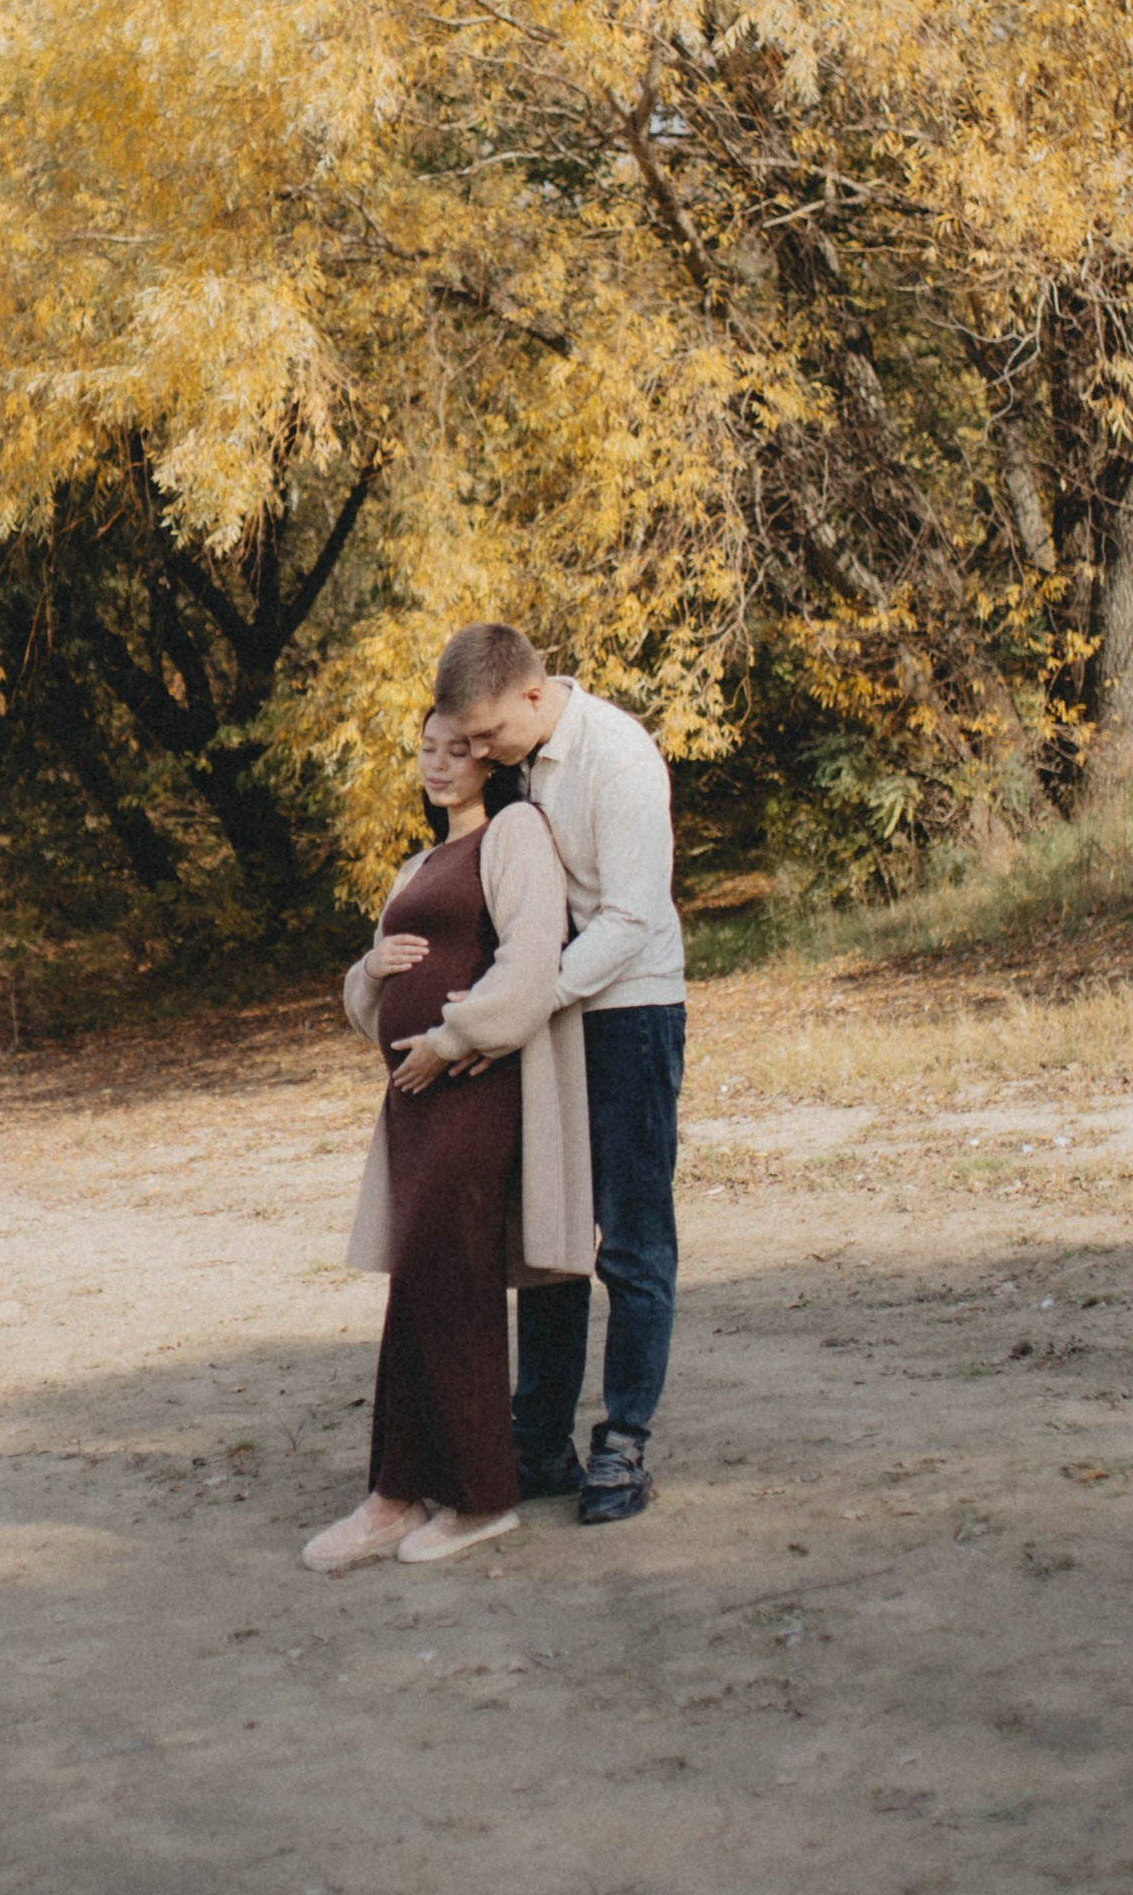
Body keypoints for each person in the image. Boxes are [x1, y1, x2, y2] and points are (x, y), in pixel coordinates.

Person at [300, 715, 593, 1572]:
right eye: (427, 748)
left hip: (473, 1085)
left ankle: (478, 1498)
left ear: (490, 758)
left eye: (457, 749)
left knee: (451, 1277)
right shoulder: (416, 865)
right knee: (420, 1276)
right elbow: (364, 1005)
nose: (438, 763)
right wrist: (372, 970)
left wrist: (452, 1039)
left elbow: (533, 966)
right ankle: (395, 1492)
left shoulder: (513, 835)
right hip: (412, 1097)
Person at [435, 622, 686, 1525]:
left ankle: (623, 1445)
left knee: (630, 1234)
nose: (481, 752)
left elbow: (630, 918)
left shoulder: (616, 756)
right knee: (550, 1232)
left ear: (534, 699)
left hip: (628, 1010)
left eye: (489, 735)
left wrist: (529, 1000)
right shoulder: (517, 760)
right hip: (554, 1015)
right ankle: (537, 1439)